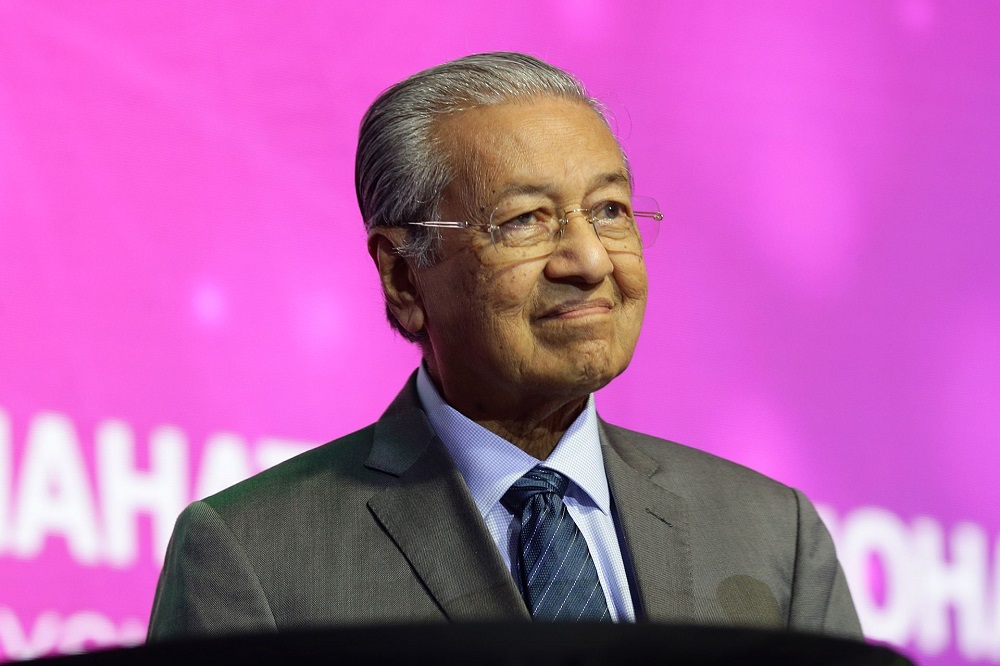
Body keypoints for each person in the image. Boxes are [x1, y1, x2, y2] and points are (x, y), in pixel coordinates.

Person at [148, 52, 861, 638]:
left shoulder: (771, 538)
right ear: (403, 276)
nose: (588, 259)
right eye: (525, 221)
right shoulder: (256, 555)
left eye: (610, 211)